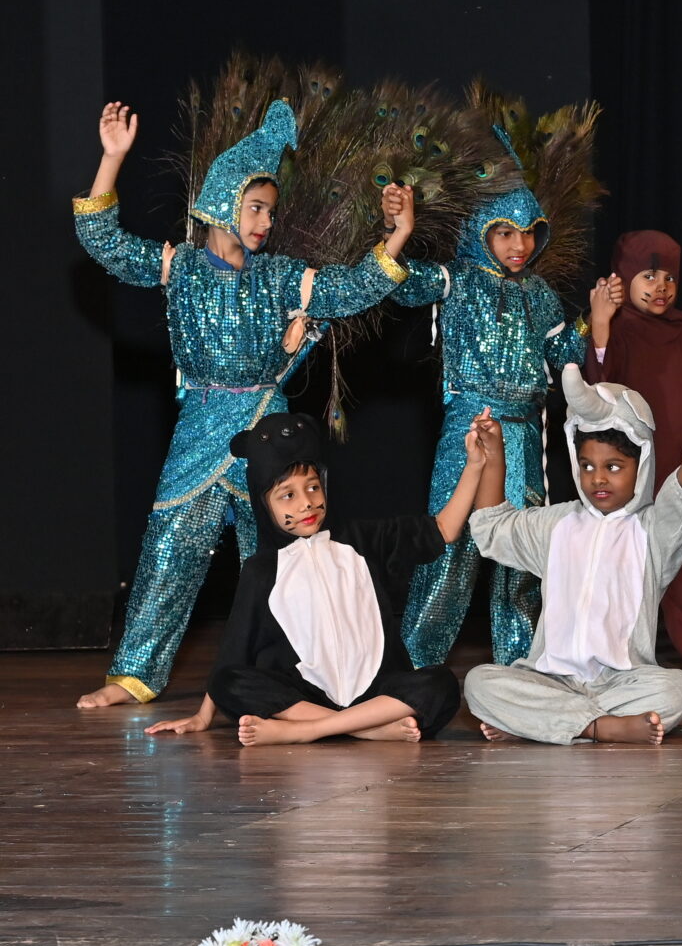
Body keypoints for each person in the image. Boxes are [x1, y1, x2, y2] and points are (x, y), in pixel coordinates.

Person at [72, 98, 415, 708]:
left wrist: (399, 234)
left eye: (270, 211)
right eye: (255, 207)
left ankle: (301, 675)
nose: (265, 222)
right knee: (169, 548)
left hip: (267, 431)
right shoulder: (180, 268)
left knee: (286, 559)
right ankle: (133, 676)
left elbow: (354, 287)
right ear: (221, 202)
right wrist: (112, 158)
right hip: (202, 428)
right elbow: (101, 239)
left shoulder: (281, 276)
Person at [148, 409, 488, 745]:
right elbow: (234, 650)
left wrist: (475, 466)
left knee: (440, 683)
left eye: (313, 487)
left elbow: (444, 529)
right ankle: (368, 728)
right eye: (288, 495)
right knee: (228, 682)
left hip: (376, 692)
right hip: (309, 697)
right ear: (264, 504)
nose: (306, 504)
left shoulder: (362, 540)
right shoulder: (261, 570)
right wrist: (202, 717)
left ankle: (307, 730)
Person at [395, 128, 594, 668]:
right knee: (450, 544)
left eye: (528, 233)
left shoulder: (540, 294)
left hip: (524, 435)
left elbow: (564, 355)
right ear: (480, 232)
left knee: (521, 555)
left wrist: (595, 320)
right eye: (504, 233)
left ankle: (519, 669)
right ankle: (416, 665)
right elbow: (402, 282)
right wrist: (400, 230)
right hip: (471, 428)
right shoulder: (457, 279)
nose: (519, 245)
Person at [460, 365, 682, 745]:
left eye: (614, 467)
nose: (598, 478)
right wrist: (494, 453)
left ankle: (541, 723)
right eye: (587, 466)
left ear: (642, 464)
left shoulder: (656, 531)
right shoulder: (556, 524)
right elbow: (493, 526)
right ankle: (598, 728)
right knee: (479, 683)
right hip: (549, 679)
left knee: (678, 689)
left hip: (623, 683)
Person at [583, 230, 682, 679]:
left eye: (670, 278)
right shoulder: (618, 329)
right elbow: (599, 385)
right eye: (649, 276)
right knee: (621, 555)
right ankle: (614, 650)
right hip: (631, 469)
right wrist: (601, 320)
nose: (661, 287)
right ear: (624, 278)